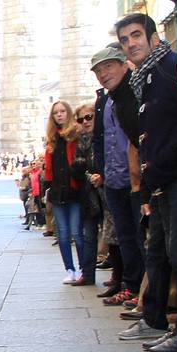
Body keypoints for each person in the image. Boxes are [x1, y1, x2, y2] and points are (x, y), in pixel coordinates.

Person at [116, 13, 177, 352]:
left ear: (154, 37)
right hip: (166, 179)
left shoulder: (169, 67)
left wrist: (164, 162)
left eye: (136, 35)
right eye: (125, 40)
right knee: (173, 254)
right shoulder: (147, 77)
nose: (131, 44)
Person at [87, 44, 143, 308]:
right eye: (98, 70)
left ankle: (139, 289)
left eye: (107, 66)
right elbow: (100, 139)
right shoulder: (105, 101)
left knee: (138, 237)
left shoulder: (134, 91)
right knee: (124, 236)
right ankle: (130, 285)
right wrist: (103, 170)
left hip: (135, 180)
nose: (103, 73)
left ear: (123, 64)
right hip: (114, 179)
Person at [43, 101, 87, 285]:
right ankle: (70, 269)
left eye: (62, 111)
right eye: (55, 113)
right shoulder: (52, 139)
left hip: (74, 190)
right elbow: (49, 170)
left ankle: (85, 268)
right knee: (62, 233)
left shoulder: (76, 134)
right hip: (58, 192)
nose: (59, 115)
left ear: (68, 113)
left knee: (77, 232)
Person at [71, 103, 100, 286]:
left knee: (114, 235)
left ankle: (121, 279)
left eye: (89, 117)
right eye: (81, 119)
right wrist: (91, 176)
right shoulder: (80, 141)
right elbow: (76, 169)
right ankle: (88, 274)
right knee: (88, 235)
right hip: (89, 194)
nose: (86, 122)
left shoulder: (103, 136)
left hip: (106, 188)